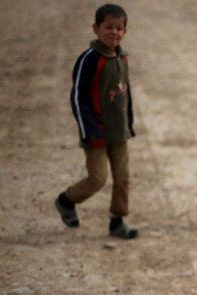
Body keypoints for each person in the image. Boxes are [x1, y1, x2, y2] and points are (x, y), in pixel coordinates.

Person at [55, 4, 138, 239]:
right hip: (96, 132)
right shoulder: (90, 59)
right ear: (96, 28)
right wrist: (88, 129)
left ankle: (117, 221)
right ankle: (66, 199)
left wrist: (128, 122)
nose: (114, 32)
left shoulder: (122, 58)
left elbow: (125, 93)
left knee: (123, 178)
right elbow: (79, 97)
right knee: (97, 179)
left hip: (119, 131)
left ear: (125, 31)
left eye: (119, 28)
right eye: (108, 27)